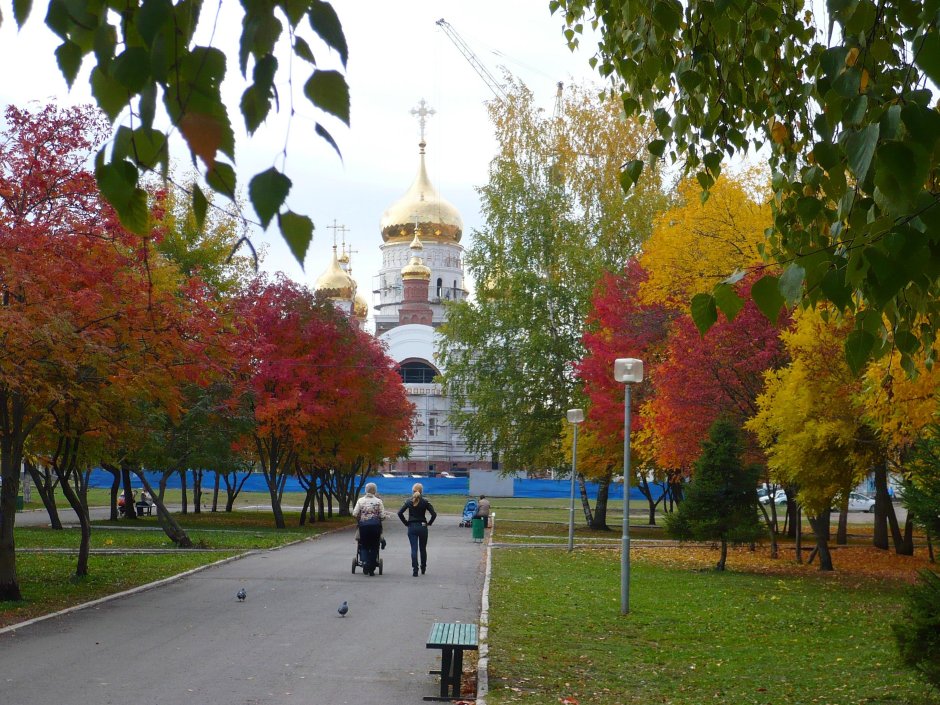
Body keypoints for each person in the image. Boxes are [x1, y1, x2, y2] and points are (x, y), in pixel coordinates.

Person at [397, 483, 437, 577]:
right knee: (423, 549)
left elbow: (399, 513)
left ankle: (415, 570)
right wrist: (429, 523)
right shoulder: (425, 502)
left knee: (414, 549)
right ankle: (423, 568)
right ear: (421, 491)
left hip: (412, 526)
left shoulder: (408, 502)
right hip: (423, 526)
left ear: (413, 491)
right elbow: (434, 514)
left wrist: (406, 523)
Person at [352, 483, 386, 576]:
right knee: (374, 546)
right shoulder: (378, 501)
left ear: (366, 490)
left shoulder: (360, 500)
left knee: (364, 545)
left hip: (364, 526)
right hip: (375, 527)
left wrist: (361, 518)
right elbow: (382, 516)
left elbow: (355, 513)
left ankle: (365, 563)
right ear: (375, 490)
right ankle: (372, 567)